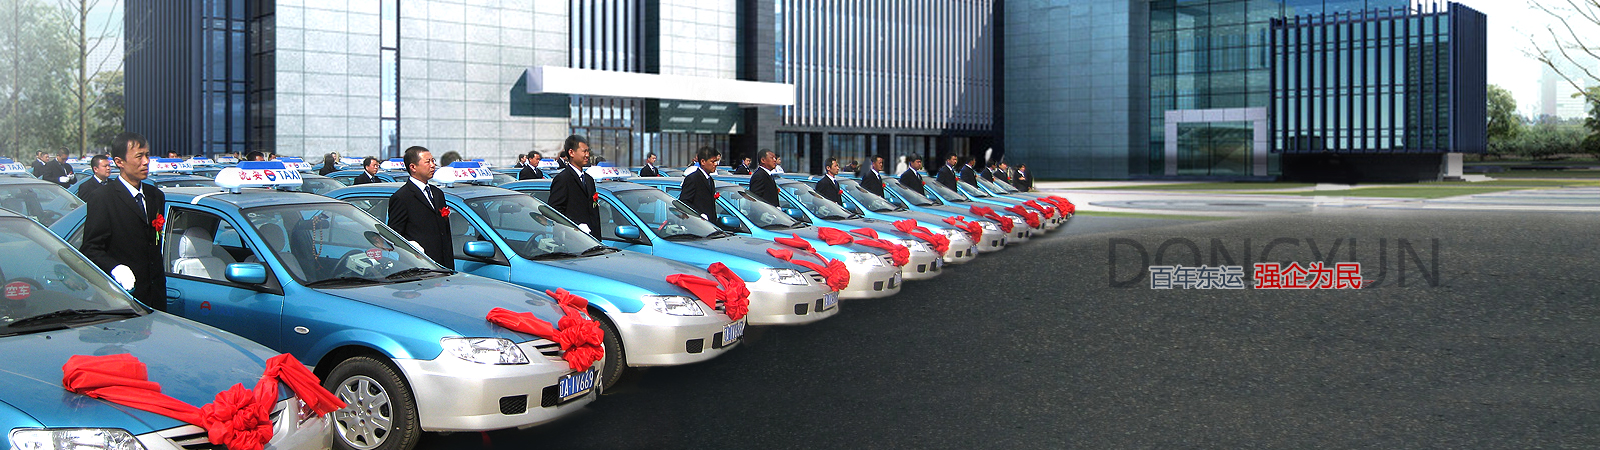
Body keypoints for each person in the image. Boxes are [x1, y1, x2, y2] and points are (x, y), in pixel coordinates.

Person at [80, 132, 166, 311]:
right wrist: (115, 268)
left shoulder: (155, 196)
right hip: (122, 298)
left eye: (147, 155)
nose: (146, 162)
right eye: (139, 156)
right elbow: (90, 249)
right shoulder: (103, 198)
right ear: (119, 162)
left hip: (156, 297)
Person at [386, 146, 453, 270]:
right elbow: (395, 235)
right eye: (428, 162)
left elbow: (445, 233)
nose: (433, 165)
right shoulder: (402, 197)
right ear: (413, 167)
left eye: (433, 161)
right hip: (418, 267)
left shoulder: (437, 193)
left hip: (442, 266)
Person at [549, 135, 601, 239]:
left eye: (588, 151)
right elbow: (555, 212)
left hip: (592, 240)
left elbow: (594, 211)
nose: (587, 155)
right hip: (571, 240)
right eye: (584, 151)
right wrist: (576, 225)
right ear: (571, 152)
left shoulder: (589, 179)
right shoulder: (563, 179)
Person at [679, 147, 721, 221]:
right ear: (703, 162)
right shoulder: (693, 179)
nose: (716, 164)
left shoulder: (710, 180)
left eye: (716, 161)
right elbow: (684, 202)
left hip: (710, 224)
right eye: (713, 161)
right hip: (697, 223)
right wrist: (699, 214)